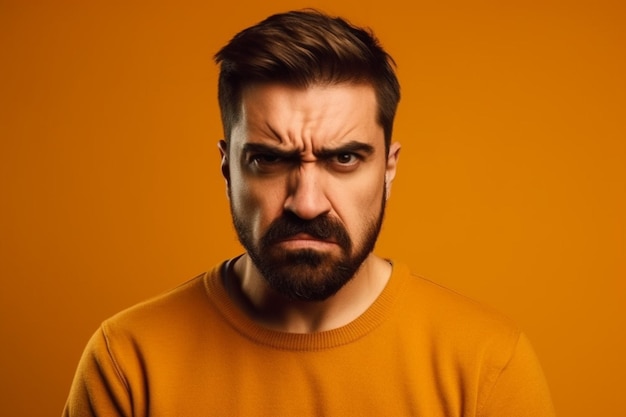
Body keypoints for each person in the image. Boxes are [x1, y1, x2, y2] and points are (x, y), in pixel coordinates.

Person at [63, 9, 555, 416]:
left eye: (343, 158)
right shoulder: (129, 361)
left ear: (388, 168)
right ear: (227, 168)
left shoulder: (486, 367)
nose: (307, 202)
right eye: (270, 160)